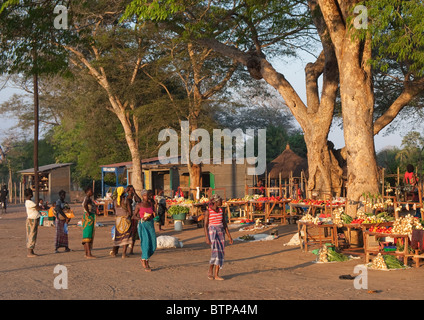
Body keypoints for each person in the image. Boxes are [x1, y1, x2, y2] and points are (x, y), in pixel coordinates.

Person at [204, 194, 233, 280]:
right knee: (215, 252)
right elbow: (205, 226)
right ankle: (210, 269)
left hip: (221, 233)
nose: (222, 202)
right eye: (220, 201)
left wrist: (229, 236)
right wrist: (207, 237)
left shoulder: (221, 210)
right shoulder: (208, 211)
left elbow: (224, 224)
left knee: (220, 252)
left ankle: (216, 274)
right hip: (212, 232)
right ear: (216, 202)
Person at [135, 189, 157, 271]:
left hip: (150, 225)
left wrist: (155, 215)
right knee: (146, 242)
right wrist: (142, 219)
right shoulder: (139, 205)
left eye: (148, 195)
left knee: (153, 244)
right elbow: (134, 216)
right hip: (143, 225)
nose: (146, 197)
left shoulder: (151, 204)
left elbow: (155, 214)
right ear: (142, 196)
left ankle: (145, 258)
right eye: (144, 195)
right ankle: (145, 260)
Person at [110, 187, 133, 258]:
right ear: (123, 192)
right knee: (126, 236)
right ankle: (124, 254)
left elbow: (114, 210)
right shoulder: (126, 200)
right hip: (125, 220)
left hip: (118, 220)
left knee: (118, 236)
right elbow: (130, 212)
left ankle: (114, 252)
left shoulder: (114, 200)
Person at [82, 186, 97, 259]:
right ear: (88, 192)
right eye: (91, 191)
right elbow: (85, 205)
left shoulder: (88, 198)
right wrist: (88, 212)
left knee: (86, 235)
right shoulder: (87, 198)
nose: (92, 192)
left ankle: (86, 252)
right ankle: (89, 253)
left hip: (87, 218)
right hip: (89, 218)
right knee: (88, 235)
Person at [24, 188, 40, 257]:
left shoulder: (28, 201)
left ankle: (31, 251)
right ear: (30, 195)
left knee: (31, 234)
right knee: (32, 235)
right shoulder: (30, 202)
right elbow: (37, 207)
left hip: (32, 219)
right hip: (32, 220)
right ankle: (30, 252)